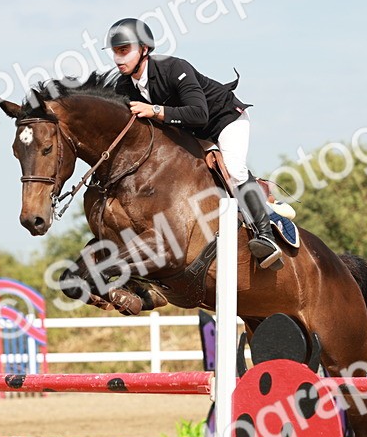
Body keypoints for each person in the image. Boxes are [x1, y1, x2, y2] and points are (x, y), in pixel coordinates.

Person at [105, 17, 282, 270]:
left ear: (144, 49)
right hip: (189, 131)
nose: (118, 59)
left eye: (124, 51)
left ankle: (266, 235)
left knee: (233, 169)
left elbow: (200, 114)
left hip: (223, 119)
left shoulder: (174, 68)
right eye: (115, 52)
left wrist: (154, 110)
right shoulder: (123, 85)